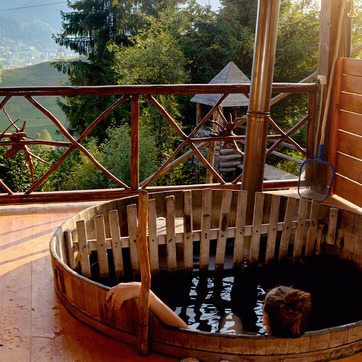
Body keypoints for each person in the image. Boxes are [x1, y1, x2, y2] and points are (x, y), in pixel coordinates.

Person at [106, 282, 311, 338]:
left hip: (230, 350)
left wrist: (145, 293)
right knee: (231, 318)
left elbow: (185, 330)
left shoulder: (247, 350)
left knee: (230, 319)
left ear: (264, 319)